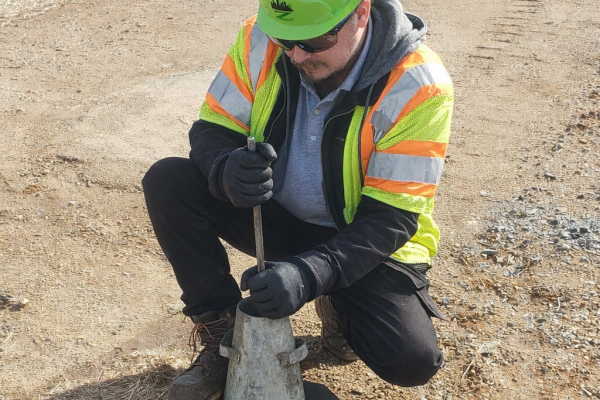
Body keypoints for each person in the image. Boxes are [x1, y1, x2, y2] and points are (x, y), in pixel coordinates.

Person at [142, 0, 453, 398]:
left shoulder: (419, 84)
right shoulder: (261, 36)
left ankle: (338, 305)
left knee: (411, 360)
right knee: (169, 181)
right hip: (280, 217)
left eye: (315, 39)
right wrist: (224, 167)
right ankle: (223, 338)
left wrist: (309, 275)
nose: (298, 54)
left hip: (363, 242)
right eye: (285, 39)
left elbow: (392, 217)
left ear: (360, 13)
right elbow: (214, 126)